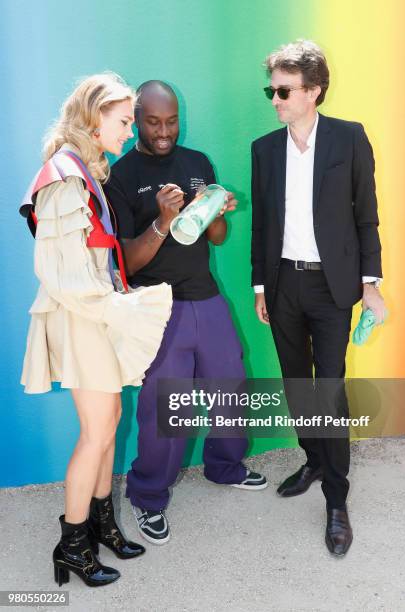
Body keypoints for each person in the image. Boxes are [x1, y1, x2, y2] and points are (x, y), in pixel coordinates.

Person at [19, 73, 172, 586]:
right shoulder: (64, 175)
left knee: (110, 419)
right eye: (124, 121)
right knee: (97, 431)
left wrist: (114, 301)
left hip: (95, 310)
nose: (130, 132)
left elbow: (93, 260)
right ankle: (73, 544)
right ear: (94, 116)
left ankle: (103, 525)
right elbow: (60, 274)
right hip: (82, 314)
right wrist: (116, 309)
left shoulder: (83, 171)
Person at [104, 80, 267, 545]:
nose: (163, 131)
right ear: (136, 120)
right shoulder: (121, 175)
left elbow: (214, 236)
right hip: (156, 306)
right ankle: (149, 496)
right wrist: (162, 219)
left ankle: (225, 467)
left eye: (171, 121)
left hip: (206, 296)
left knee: (231, 390)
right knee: (165, 412)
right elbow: (127, 261)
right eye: (153, 122)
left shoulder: (197, 163)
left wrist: (216, 209)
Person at [251, 41, 386, 556]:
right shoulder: (265, 149)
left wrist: (369, 282)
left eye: (283, 90)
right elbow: (262, 224)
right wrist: (261, 286)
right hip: (283, 283)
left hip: (334, 288)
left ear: (314, 91)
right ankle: (312, 457)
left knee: (328, 389)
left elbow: (366, 214)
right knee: (295, 383)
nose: (275, 99)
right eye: (272, 89)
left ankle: (336, 497)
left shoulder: (349, 139)